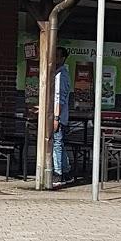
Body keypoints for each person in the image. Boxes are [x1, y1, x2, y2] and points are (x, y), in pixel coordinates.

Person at [52, 46, 72, 188]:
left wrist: (56, 117)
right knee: (60, 144)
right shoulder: (58, 74)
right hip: (58, 115)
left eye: (57, 56)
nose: (55, 59)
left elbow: (60, 98)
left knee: (56, 144)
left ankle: (58, 174)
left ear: (63, 58)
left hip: (58, 116)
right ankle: (66, 172)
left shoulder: (61, 76)